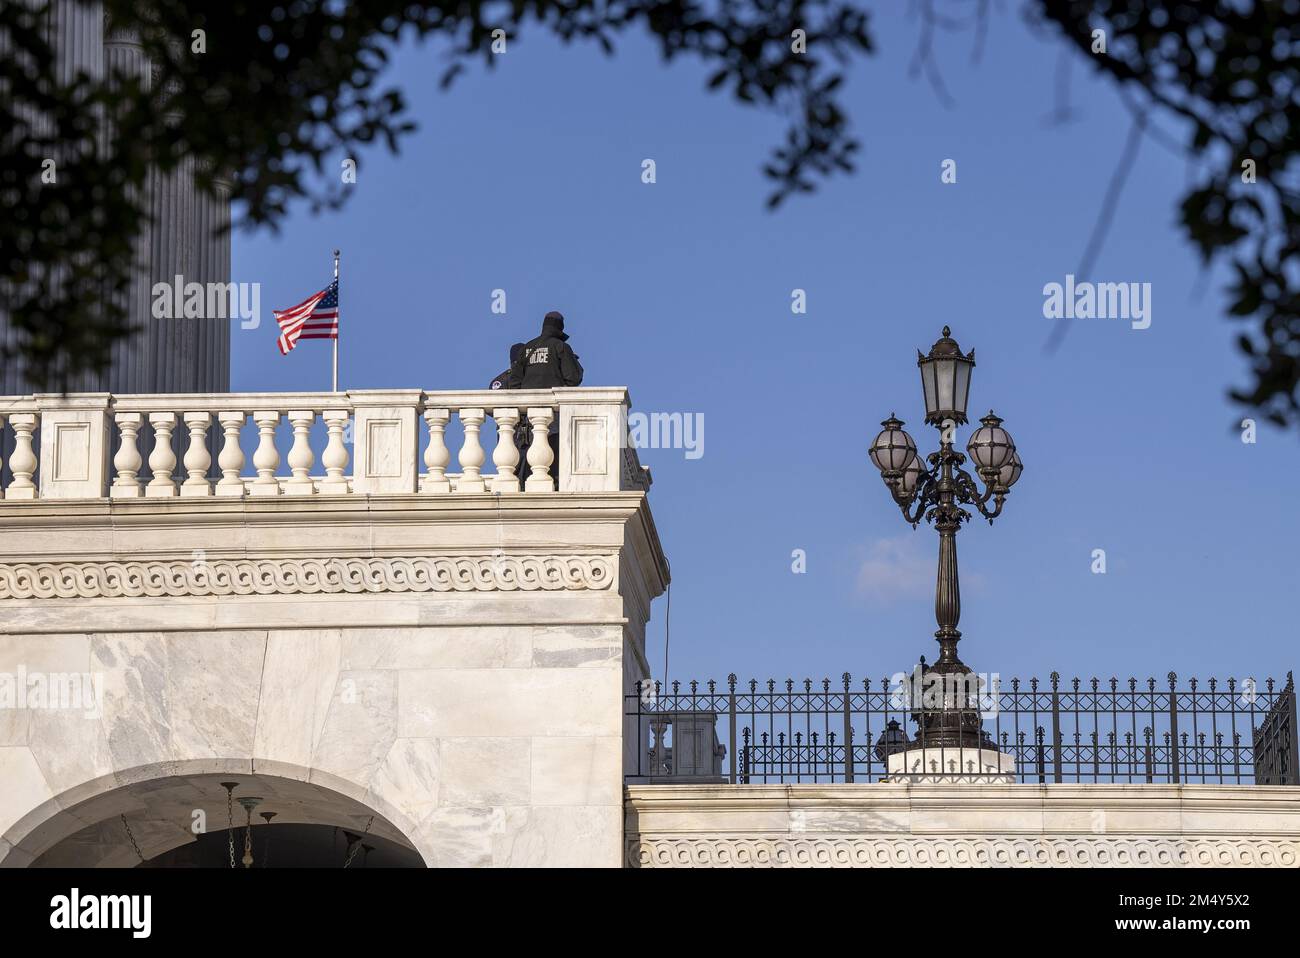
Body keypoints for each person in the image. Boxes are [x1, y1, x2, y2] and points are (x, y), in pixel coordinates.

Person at [510, 311, 583, 481]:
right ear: (560, 328)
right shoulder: (560, 347)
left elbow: (514, 382)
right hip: (553, 416)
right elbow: (574, 377)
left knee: (527, 456)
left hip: (526, 417)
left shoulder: (527, 348)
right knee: (551, 456)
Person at [488, 342, 531, 482]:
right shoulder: (502, 380)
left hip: (532, 433)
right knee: (511, 471)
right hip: (512, 433)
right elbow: (493, 407)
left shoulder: (532, 377)